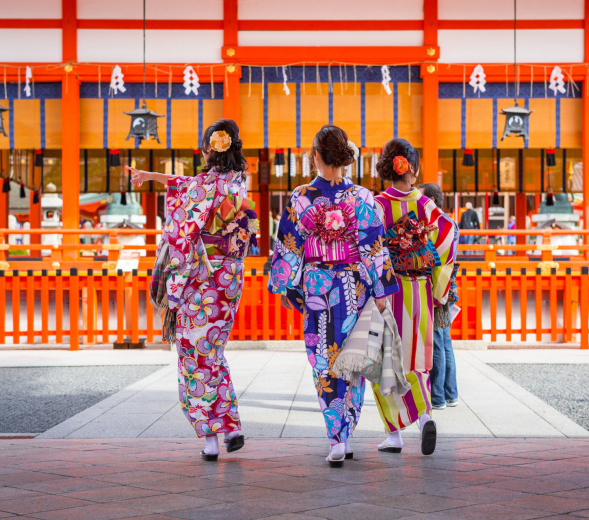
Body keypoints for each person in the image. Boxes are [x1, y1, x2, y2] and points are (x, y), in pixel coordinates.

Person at [127, 119, 257, 462]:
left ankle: (212, 438)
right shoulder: (239, 185)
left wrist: (153, 179)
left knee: (193, 357)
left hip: (197, 278)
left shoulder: (199, 187)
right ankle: (231, 427)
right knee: (213, 351)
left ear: (206, 150)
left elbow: (179, 232)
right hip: (228, 278)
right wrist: (154, 177)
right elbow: (189, 186)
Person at [268, 125, 398, 467]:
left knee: (324, 361)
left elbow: (288, 246)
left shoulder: (300, 197)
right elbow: (374, 248)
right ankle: (346, 430)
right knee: (351, 359)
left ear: (315, 157)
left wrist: (284, 285)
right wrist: (381, 290)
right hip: (353, 287)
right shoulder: (363, 198)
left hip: (317, 288)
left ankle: (337, 437)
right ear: (344, 157)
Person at [372, 140, 456, 456]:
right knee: (416, 359)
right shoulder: (425, 205)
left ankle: (396, 433)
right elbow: (448, 235)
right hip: (419, 290)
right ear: (414, 168)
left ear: (385, 168)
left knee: (385, 362)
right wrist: (438, 289)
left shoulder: (378, 205)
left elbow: (371, 250)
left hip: (388, 293)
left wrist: (374, 288)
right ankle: (423, 419)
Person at [421, 183, 459, 410]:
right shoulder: (450, 222)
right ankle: (450, 394)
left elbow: (434, 258)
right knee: (444, 342)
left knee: (437, 341)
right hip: (449, 285)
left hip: (438, 286)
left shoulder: (438, 224)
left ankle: (437, 397)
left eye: (424, 200)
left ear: (432, 201)